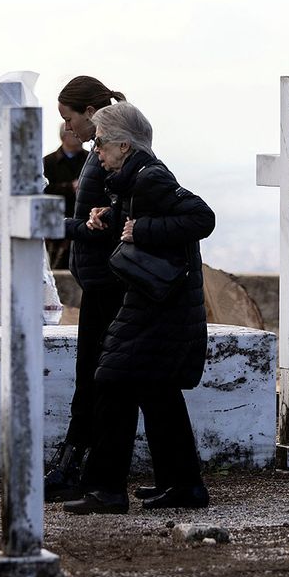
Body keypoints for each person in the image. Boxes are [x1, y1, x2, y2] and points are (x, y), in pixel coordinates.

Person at [62, 101, 215, 514]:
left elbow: (202, 217)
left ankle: (107, 490)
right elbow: (144, 221)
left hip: (159, 306)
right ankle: (183, 485)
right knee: (155, 390)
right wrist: (112, 218)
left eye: (103, 144)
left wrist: (140, 228)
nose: (97, 151)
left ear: (125, 146)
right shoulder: (135, 181)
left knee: (111, 380)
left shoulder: (151, 177)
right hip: (158, 302)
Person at [43, 76, 127, 500]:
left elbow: (110, 221)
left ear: (90, 113)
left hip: (107, 283)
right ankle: (78, 464)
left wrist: (63, 226)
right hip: (96, 280)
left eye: (70, 118)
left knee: (94, 377)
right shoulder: (98, 155)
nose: (68, 129)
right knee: (88, 375)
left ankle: (79, 468)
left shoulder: (111, 155)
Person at [43, 123, 88, 269]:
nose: (78, 136)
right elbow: (41, 190)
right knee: (57, 265)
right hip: (56, 225)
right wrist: (69, 187)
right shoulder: (47, 162)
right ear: (63, 137)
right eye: (73, 133)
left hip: (85, 220)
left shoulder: (92, 159)